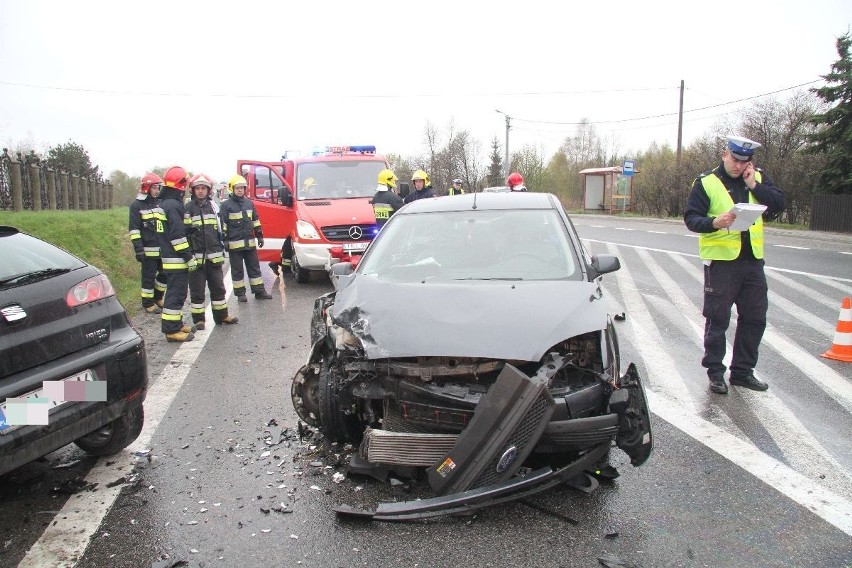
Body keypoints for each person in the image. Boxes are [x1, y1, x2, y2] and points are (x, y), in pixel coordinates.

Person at [684, 135, 785, 395]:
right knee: (717, 319)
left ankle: (742, 372)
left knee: (755, 318)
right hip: (722, 263)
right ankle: (716, 373)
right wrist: (714, 223)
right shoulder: (706, 182)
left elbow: (778, 204)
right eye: (735, 159)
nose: (739, 166)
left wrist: (754, 185)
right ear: (724, 154)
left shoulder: (757, 178)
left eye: (745, 162)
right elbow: (692, 219)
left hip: (752, 262)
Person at [185, 173, 239, 330]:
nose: (200, 191)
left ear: (209, 190)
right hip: (197, 257)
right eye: (198, 188)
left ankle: (222, 316)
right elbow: (184, 232)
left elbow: (221, 229)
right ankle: (199, 320)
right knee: (197, 290)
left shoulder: (214, 207)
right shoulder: (188, 209)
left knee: (218, 288)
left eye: (203, 188)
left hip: (214, 256)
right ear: (193, 190)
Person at [156, 166, 197, 342]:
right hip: (176, 258)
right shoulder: (173, 205)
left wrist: (187, 227)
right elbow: (176, 235)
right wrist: (188, 256)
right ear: (181, 184)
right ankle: (171, 330)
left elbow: (170, 229)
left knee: (176, 293)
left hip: (169, 256)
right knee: (176, 294)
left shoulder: (166, 203)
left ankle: (177, 324)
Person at [219, 174, 273, 302]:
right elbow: (223, 224)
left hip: (249, 243)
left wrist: (259, 236)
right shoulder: (226, 205)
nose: (240, 190)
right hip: (234, 245)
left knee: (254, 268)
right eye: (237, 188)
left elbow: (255, 220)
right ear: (232, 189)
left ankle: (259, 291)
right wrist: (225, 241)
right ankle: (240, 294)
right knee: (237, 271)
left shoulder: (249, 203)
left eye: (242, 188)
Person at [128, 172, 167, 314]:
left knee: (165, 274)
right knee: (148, 278)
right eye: (155, 187)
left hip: (162, 249)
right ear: (146, 188)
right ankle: (148, 303)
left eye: (158, 188)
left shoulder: (160, 203)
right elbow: (134, 230)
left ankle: (158, 297)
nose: (157, 190)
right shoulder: (136, 206)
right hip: (147, 250)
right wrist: (139, 249)